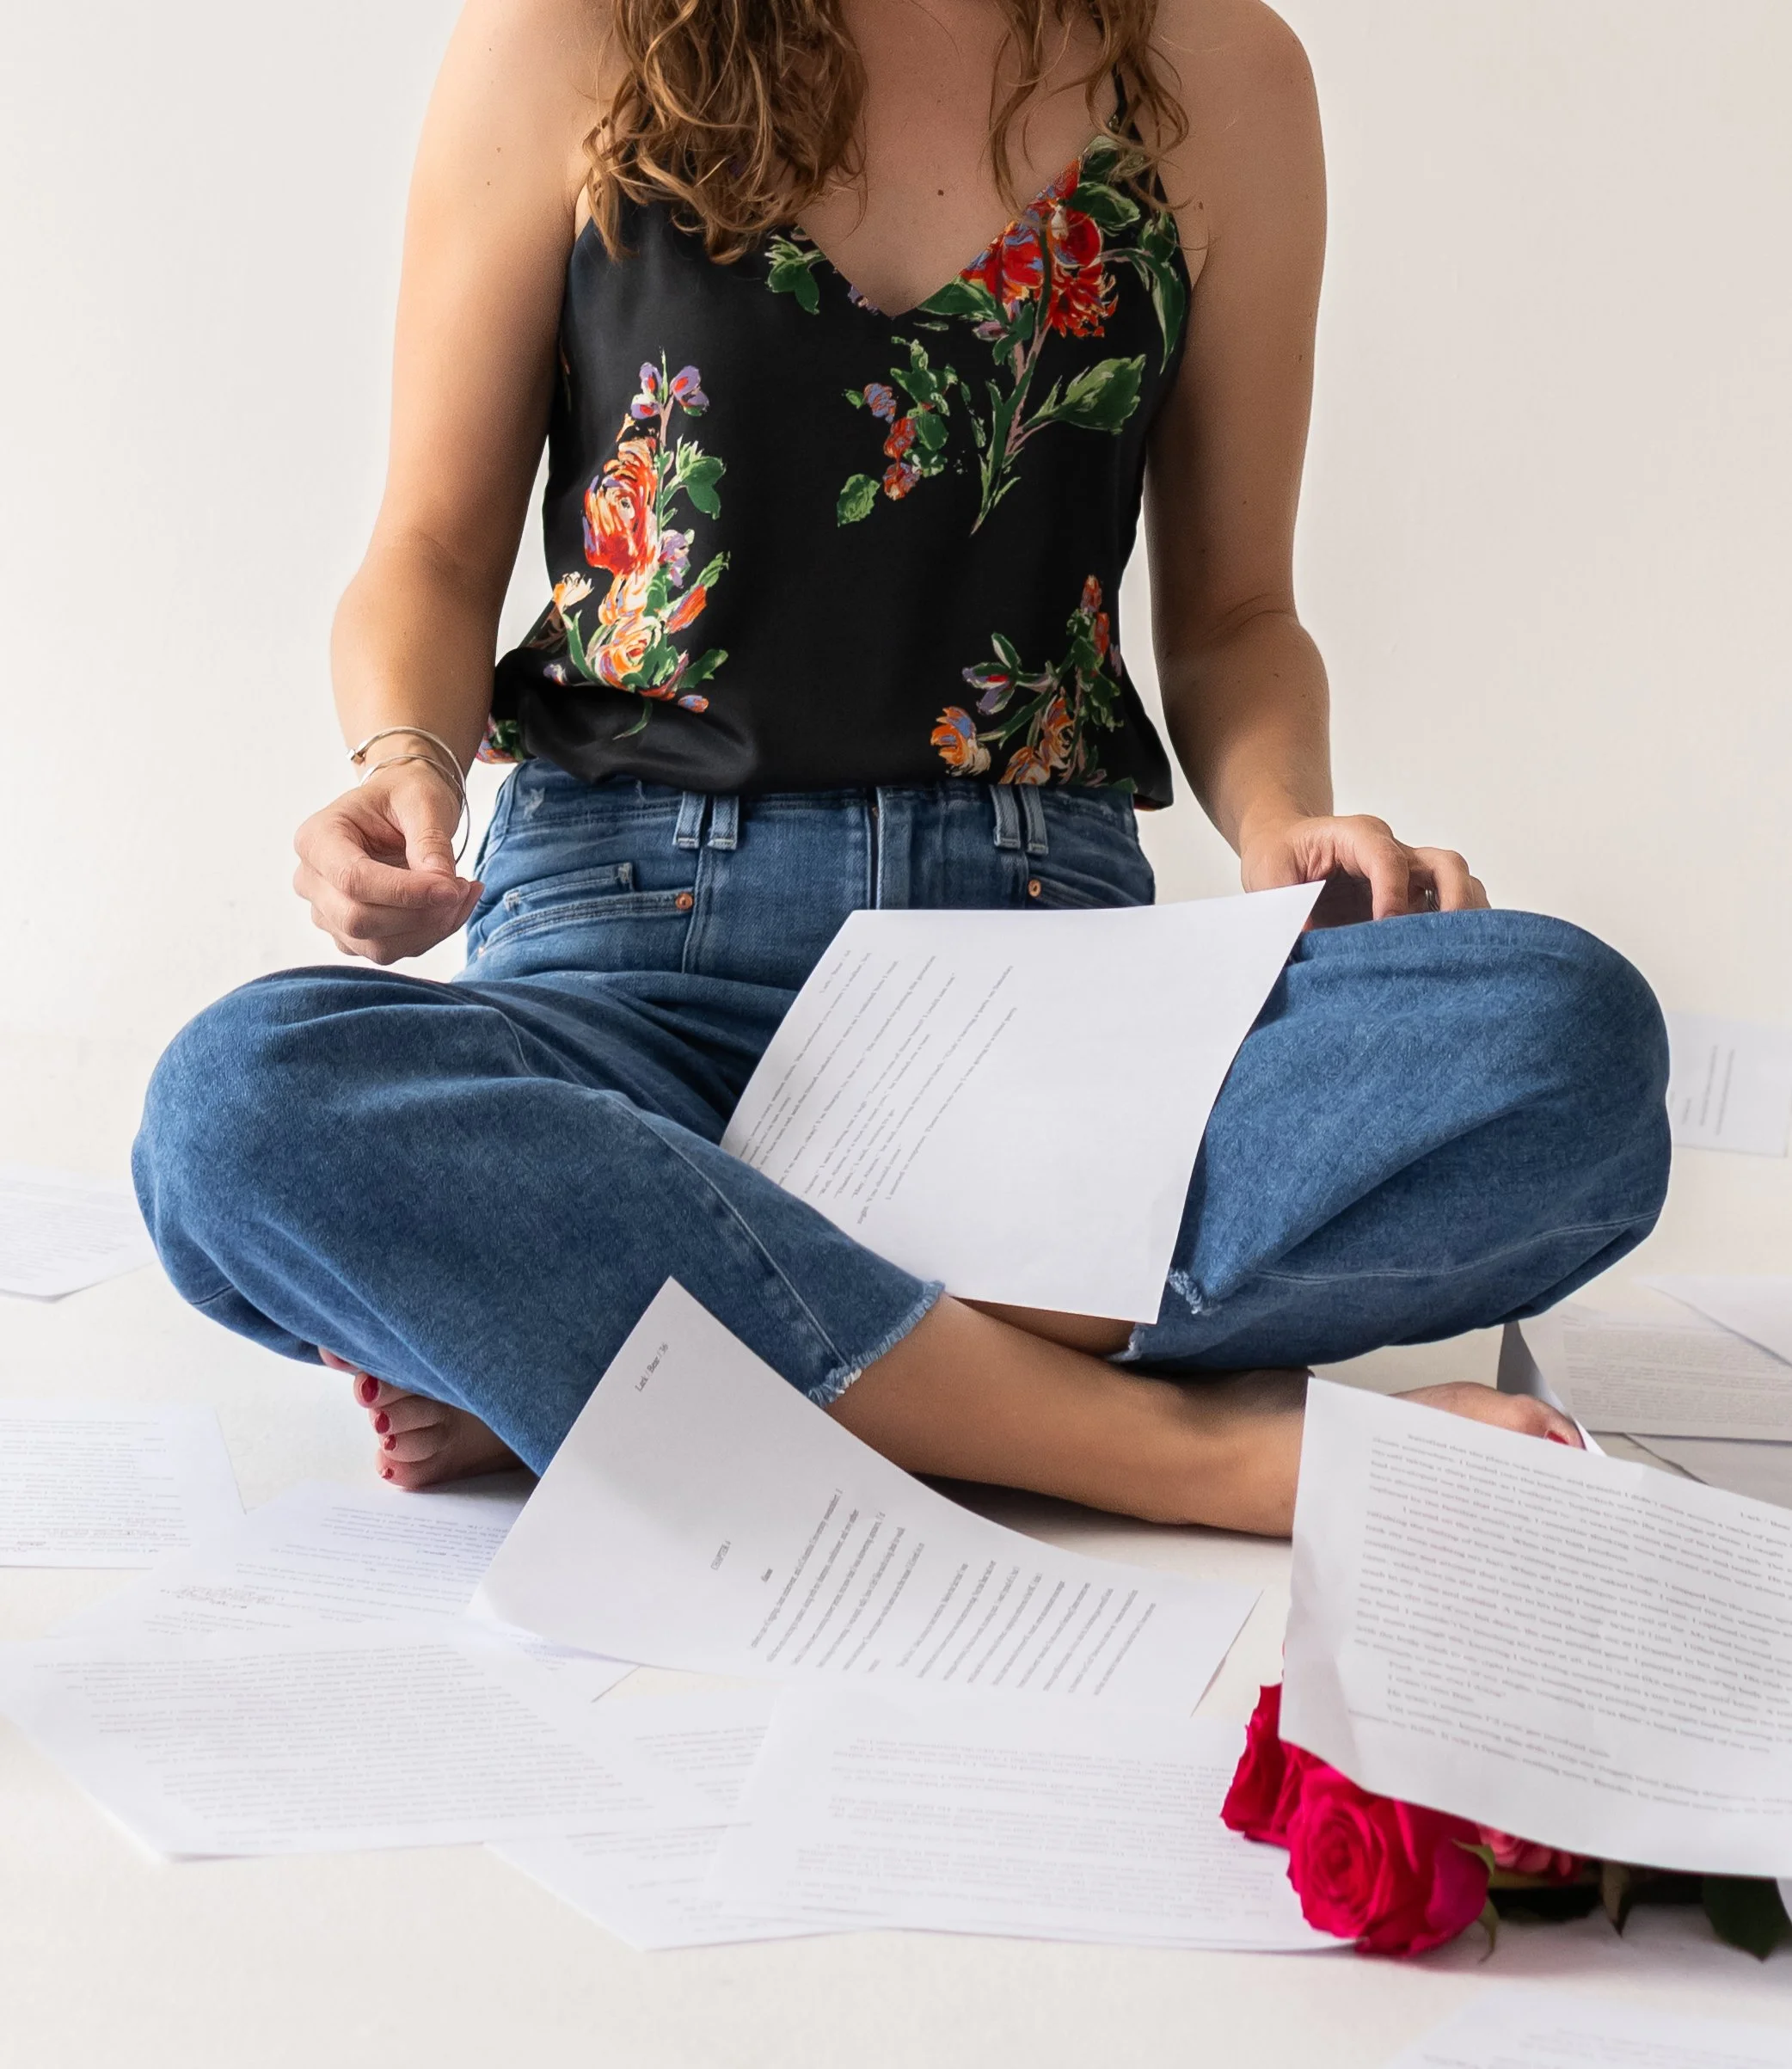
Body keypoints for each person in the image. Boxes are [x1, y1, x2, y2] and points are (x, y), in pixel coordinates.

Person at [133, 0, 1668, 1537]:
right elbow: (430, 549)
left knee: (1566, 1045)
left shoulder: (1224, 74)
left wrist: (1284, 818)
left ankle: (612, 1336)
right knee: (239, 1106)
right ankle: (1190, 1456)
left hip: (1043, 1021)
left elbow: (1239, 618)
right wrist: (405, 758)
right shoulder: (570, 34)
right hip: (626, 987)